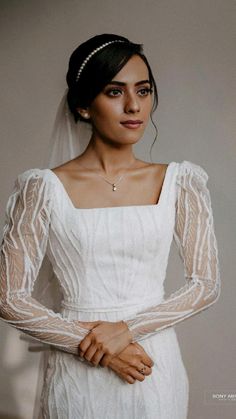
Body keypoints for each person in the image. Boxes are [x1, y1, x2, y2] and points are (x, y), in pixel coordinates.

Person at [0, 33, 221, 419]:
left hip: (151, 363)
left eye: (144, 90)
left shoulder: (181, 182)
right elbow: (9, 297)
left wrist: (127, 331)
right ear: (84, 105)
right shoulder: (41, 188)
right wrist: (99, 347)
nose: (134, 106)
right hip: (77, 367)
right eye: (115, 92)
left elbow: (205, 284)